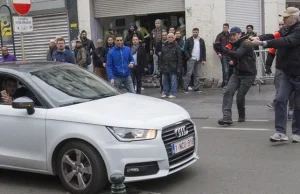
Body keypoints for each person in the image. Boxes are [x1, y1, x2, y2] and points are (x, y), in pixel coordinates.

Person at [251, 7, 300, 142]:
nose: (282, 20)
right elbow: (274, 36)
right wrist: (258, 37)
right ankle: (280, 132)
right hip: (286, 74)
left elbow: (287, 41)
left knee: (298, 105)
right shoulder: (284, 29)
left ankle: (297, 133)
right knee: (279, 100)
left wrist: (263, 43)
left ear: (294, 18)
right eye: (282, 17)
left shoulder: (298, 31)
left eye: (285, 17)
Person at [214, 26, 257, 125]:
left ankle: (241, 115)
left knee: (240, 96)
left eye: (234, 35)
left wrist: (223, 50)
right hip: (237, 73)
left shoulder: (246, 43)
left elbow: (238, 54)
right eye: (231, 35)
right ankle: (227, 117)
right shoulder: (235, 44)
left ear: (240, 34)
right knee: (228, 91)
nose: (232, 37)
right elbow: (233, 55)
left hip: (248, 74)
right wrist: (219, 48)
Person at [159, 33, 182, 98]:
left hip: (173, 67)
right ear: (167, 38)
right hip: (164, 66)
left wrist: (179, 68)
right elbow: (161, 57)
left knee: (173, 81)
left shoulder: (177, 47)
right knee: (165, 81)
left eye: (171, 37)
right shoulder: (164, 46)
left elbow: (180, 59)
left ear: (174, 38)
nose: (170, 38)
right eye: (169, 37)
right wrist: (160, 66)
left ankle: (173, 93)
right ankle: (165, 92)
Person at [183, 28, 206, 93]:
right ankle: (185, 87)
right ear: (192, 32)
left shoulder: (201, 40)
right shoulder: (188, 40)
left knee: (197, 74)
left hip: (198, 59)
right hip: (191, 59)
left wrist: (204, 59)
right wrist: (189, 57)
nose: (195, 33)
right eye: (194, 32)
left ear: (198, 32)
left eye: (196, 32)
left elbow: (204, 50)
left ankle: (196, 88)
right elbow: (185, 49)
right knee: (189, 73)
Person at [215, 23, 231, 89]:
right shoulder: (220, 35)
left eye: (226, 27)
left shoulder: (231, 35)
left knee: (231, 70)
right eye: (224, 27)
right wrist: (218, 53)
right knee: (225, 70)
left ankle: (230, 84)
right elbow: (216, 45)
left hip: (230, 54)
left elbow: (233, 43)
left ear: (228, 28)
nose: (225, 28)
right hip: (223, 55)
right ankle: (225, 84)